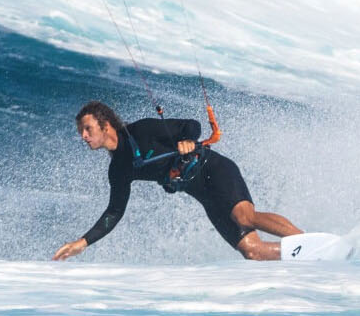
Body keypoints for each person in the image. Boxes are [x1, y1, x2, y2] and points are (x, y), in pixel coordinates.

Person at [52, 101, 302, 261]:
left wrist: (189, 140)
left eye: (88, 129)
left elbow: (190, 125)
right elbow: (114, 211)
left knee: (244, 216)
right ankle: (305, 255)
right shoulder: (119, 168)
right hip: (201, 193)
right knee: (252, 251)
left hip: (213, 169)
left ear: (105, 126)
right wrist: (83, 242)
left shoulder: (141, 131)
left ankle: (307, 241)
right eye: (81, 132)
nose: (84, 136)